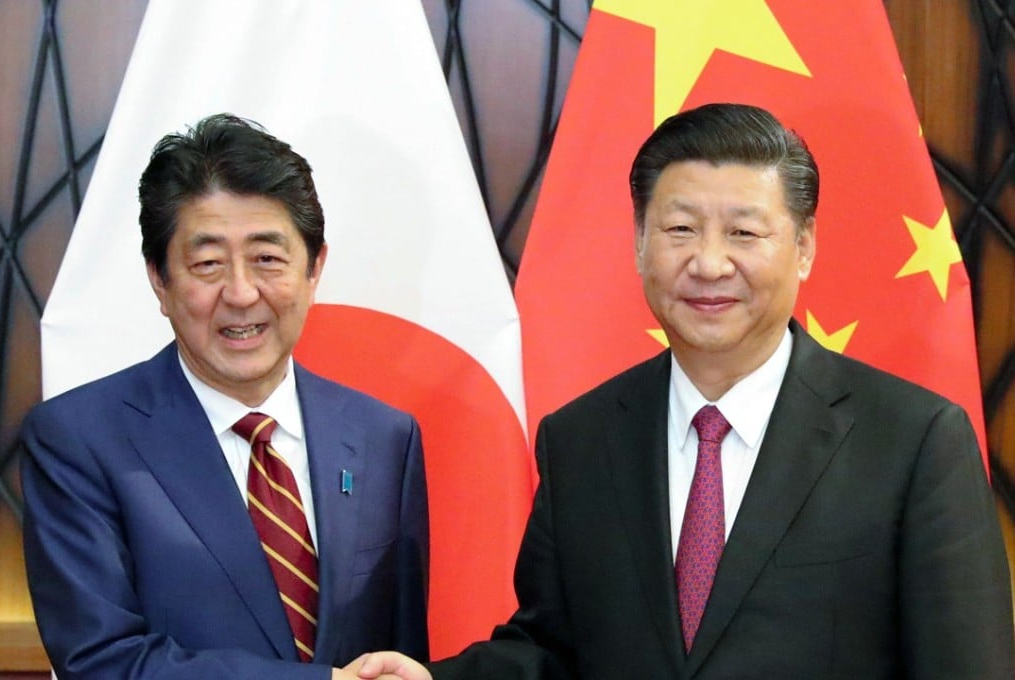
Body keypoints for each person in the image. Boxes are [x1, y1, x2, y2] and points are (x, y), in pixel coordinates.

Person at [354, 103, 1014, 679]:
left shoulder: (912, 440)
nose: (708, 262)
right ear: (640, 243)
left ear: (804, 246)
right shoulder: (581, 439)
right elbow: (552, 654)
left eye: (744, 233)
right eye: (680, 229)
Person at [22, 113, 430, 679]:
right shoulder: (79, 440)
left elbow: (399, 654)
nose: (241, 294)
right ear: (159, 281)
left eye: (268, 258)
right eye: (208, 264)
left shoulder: (385, 437)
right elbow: (103, 662)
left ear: (315, 269)